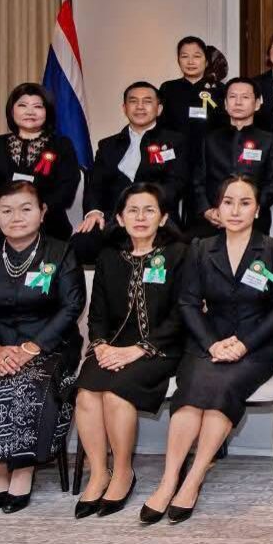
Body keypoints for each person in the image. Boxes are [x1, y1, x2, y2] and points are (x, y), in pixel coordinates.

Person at [142, 175, 273, 524]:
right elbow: (188, 302)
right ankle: (169, 480)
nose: (235, 210)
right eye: (228, 202)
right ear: (217, 208)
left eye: (245, 203)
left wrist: (244, 344)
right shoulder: (200, 248)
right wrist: (212, 342)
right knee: (192, 390)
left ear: (258, 210)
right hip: (208, 341)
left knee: (222, 389)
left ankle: (193, 479)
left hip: (258, 345)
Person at [0, 181, 85, 513]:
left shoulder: (61, 252)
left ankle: (23, 470)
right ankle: (0, 471)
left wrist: (31, 348)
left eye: (26, 209)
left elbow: (71, 306)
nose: (16, 217)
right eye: (7, 210)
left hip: (49, 345)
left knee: (30, 384)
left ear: (42, 212)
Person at [72, 183, 189, 518]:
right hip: (111, 348)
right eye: (132, 211)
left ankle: (123, 472)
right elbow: (97, 314)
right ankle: (99, 473)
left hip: (162, 350)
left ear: (163, 218)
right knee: (86, 393)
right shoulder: (109, 257)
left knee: (115, 393)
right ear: (120, 219)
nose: (140, 217)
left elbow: (182, 314)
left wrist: (140, 349)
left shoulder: (179, 254)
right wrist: (100, 346)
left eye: (149, 210)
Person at [74, 81, 190, 263]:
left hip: (157, 216)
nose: (140, 107)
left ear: (159, 109)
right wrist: (94, 212)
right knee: (81, 244)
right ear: (124, 108)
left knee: (174, 253)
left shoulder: (176, 142)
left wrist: (144, 207)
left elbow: (176, 183)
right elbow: (95, 185)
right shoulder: (108, 145)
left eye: (147, 101)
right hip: (114, 217)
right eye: (133, 101)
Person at [0, 83, 81, 241]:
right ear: (12, 110)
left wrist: (40, 211)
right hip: (7, 227)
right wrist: (3, 210)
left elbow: (67, 185)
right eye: (23, 105)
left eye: (37, 106)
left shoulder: (61, 145)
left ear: (47, 111)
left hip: (50, 226)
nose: (30, 112)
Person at [190, 78, 273, 237]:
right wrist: (207, 210)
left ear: (257, 104)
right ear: (225, 104)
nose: (238, 102)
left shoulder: (269, 141)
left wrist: (252, 208)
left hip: (254, 217)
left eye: (245, 97)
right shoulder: (210, 139)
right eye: (232, 97)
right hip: (213, 217)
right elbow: (198, 180)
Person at [159, 36, 228, 165]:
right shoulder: (168, 88)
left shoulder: (220, 89)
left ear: (206, 61)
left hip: (211, 158)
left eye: (197, 56)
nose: (190, 62)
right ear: (178, 61)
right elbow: (161, 125)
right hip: (175, 157)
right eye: (184, 56)